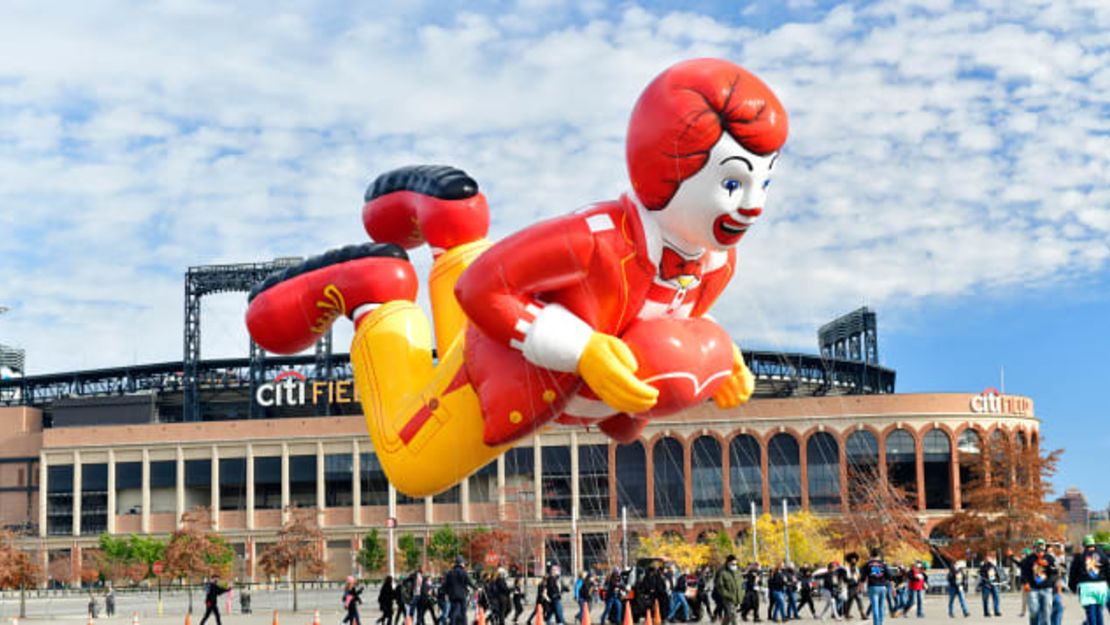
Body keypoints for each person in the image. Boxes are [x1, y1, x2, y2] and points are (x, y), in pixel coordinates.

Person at [246, 59, 787, 500]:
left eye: (763, 179)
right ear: (670, 166)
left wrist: (725, 365)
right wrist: (583, 351)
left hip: (539, 361)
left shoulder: (716, 262)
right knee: (413, 469)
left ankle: (454, 226)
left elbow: (670, 316)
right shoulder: (593, 237)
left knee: (468, 334)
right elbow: (482, 288)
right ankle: (376, 295)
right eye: (735, 182)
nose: (754, 205)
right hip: (508, 364)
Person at [1069, 536, 1109, 625]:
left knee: (1091, 611)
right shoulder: (1103, 556)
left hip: (1087, 586)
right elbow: (1108, 571)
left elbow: (1073, 573)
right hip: (1101, 586)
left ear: (1084, 545)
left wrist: (1072, 586)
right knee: (1099, 610)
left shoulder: (1080, 556)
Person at [1020, 538, 1057, 625]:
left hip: (1047, 588)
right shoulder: (1029, 559)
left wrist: (1047, 565)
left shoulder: (1049, 558)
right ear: (1035, 548)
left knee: (1047, 612)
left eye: (1041, 546)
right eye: (1038, 547)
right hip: (1033, 588)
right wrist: (1025, 583)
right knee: (1034, 611)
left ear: (1044, 547)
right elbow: (1024, 572)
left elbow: (1055, 571)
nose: (1040, 549)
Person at [863, 549, 891, 625]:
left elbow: (863, 576)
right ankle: (880, 622)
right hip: (883, 586)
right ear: (878, 555)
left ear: (871, 555)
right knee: (881, 606)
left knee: (875, 606)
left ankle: (876, 623)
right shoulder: (883, 564)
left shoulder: (868, 564)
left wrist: (861, 585)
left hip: (873, 586)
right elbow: (889, 575)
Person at [445, 557, 473, 625]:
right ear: (461, 563)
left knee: (454, 610)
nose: (464, 565)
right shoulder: (463, 572)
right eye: (464, 563)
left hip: (452, 595)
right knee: (463, 612)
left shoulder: (450, 572)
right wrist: (476, 588)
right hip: (462, 595)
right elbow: (469, 582)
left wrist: (445, 593)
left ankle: (452, 623)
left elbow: (446, 584)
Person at [715, 555, 742, 625]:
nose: (735, 566)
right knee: (734, 616)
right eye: (733, 564)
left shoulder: (738, 572)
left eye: (736, 564)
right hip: (728, 598)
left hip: (737, 598)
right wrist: (727, 595)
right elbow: (720, 586)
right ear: (728, 563)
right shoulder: (722, 572)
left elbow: (742, 584)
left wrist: (742, 594)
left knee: (728, 616)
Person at [843, 554, 866, 620]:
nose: (854, 561)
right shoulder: (846, 569)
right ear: (850, 561)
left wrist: (860, 585)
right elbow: (845, 579)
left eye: (855, 560)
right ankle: (847, 614)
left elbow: (860, 578)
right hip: (850, 587)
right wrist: (851, 578)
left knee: (859, 599)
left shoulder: (857, 569)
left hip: (856, 586)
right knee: (850, 601)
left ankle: (862, 614)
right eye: (853, 560)